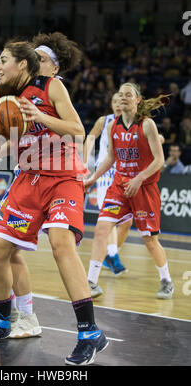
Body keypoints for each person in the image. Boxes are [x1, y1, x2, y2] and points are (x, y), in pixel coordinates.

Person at [0, 40, 108, 365]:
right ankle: (3, 320)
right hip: (28, 179)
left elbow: (77, 129)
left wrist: (40, 117)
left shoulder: (52, 87)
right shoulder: (1, 96)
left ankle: (90, 333)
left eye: (3, 60)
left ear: (23, 65)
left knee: (62, 244)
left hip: (62, 177)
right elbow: (0, 141)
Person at [85, 82, 174, 300]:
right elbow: (111, 158)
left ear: (137, 100)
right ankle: (91, 282)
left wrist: (139, 178)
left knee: (149, 240)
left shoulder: (147, 125)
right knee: (101, 230)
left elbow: (159, 160)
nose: (123, 97)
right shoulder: (111, 125)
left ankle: (166, 281)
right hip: (119, 186)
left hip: (144, 188)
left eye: (128, 94)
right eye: (121, 94)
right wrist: (92, 179)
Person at [84, 93, 132, 283]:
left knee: (127, 222)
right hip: (106, 174)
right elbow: (90, 138)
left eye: (120, 101)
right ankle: (113, 256)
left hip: (126, 174)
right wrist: (85, 161)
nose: (118, 104)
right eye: (114, 101)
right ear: (111, 104)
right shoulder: (104, 121)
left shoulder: (133, 122)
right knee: (110, 217)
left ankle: (110, 255)